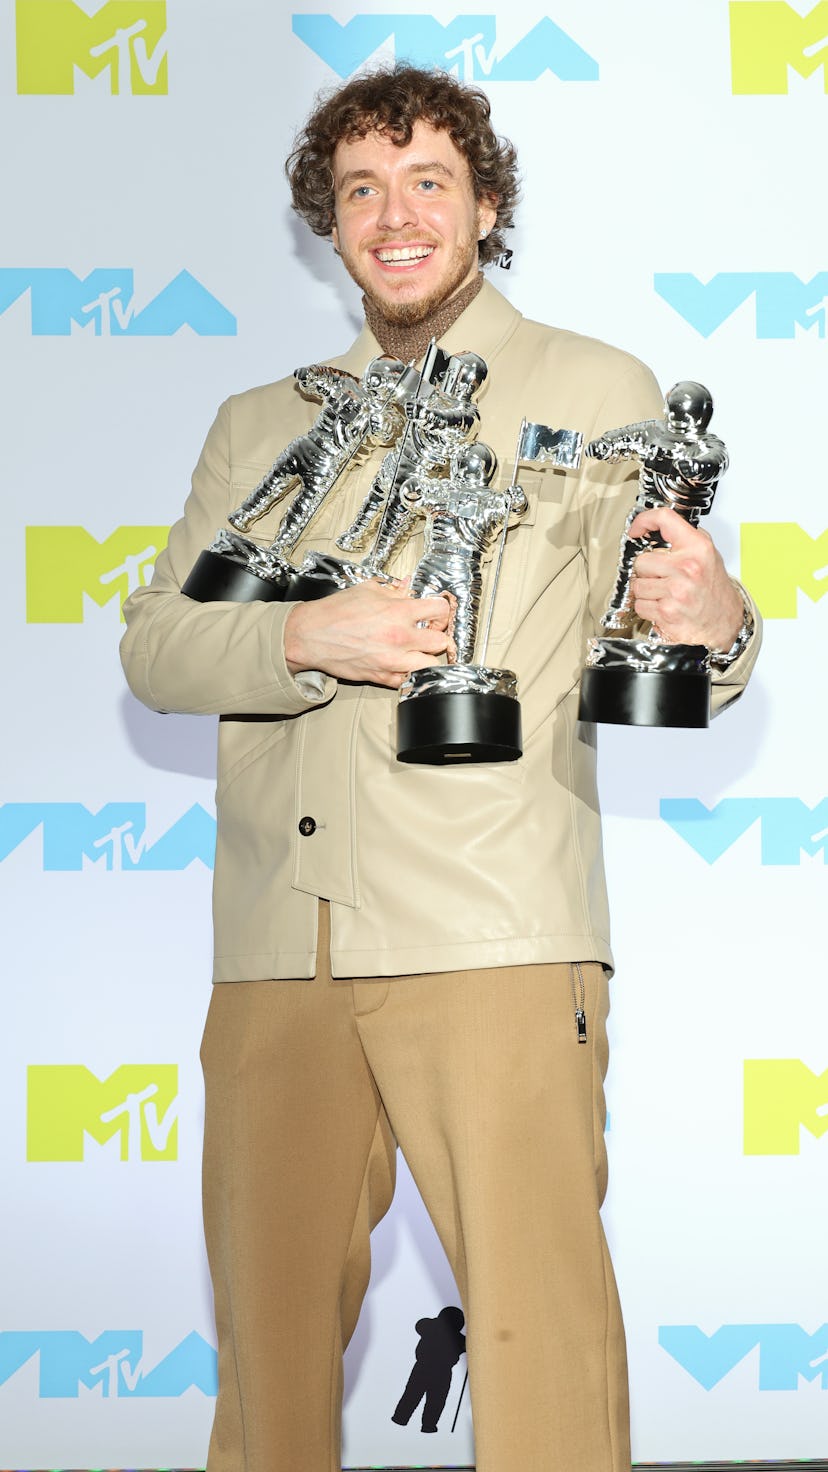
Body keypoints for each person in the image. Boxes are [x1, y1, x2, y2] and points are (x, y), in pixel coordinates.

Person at [120, 64, 760, 1472]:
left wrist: (716, 625)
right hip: (278, 952)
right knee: (270, 1374)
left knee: (541, 1365)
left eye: (427, 183)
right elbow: (159, 649)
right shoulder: (259, 422)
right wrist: (306, 633)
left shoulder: (598, 390)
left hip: (496, 939)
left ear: (484, 204)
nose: (393, 216)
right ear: (327, 222)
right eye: (360, 189)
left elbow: (667, 627)